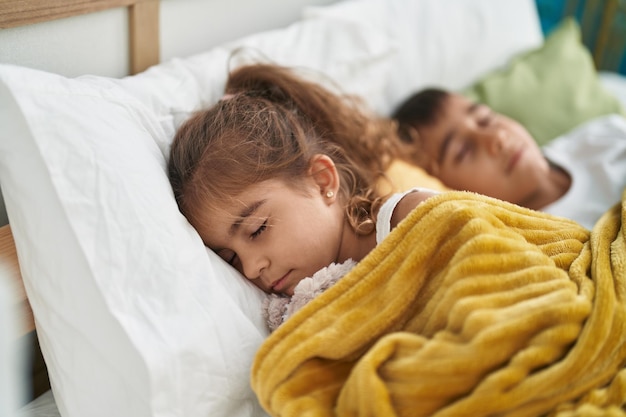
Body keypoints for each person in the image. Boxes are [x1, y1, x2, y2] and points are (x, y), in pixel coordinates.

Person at [168, 63, 438, 296]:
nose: (251, 270)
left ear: (322, 180)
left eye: (257, 229)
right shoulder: (298, 308)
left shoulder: (411, 219)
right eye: (231, 258)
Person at [391, 87, 626, 229]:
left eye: (485, 119)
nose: (497, 138)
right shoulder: (534, 247)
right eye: (464, 152)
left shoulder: (599, 136)